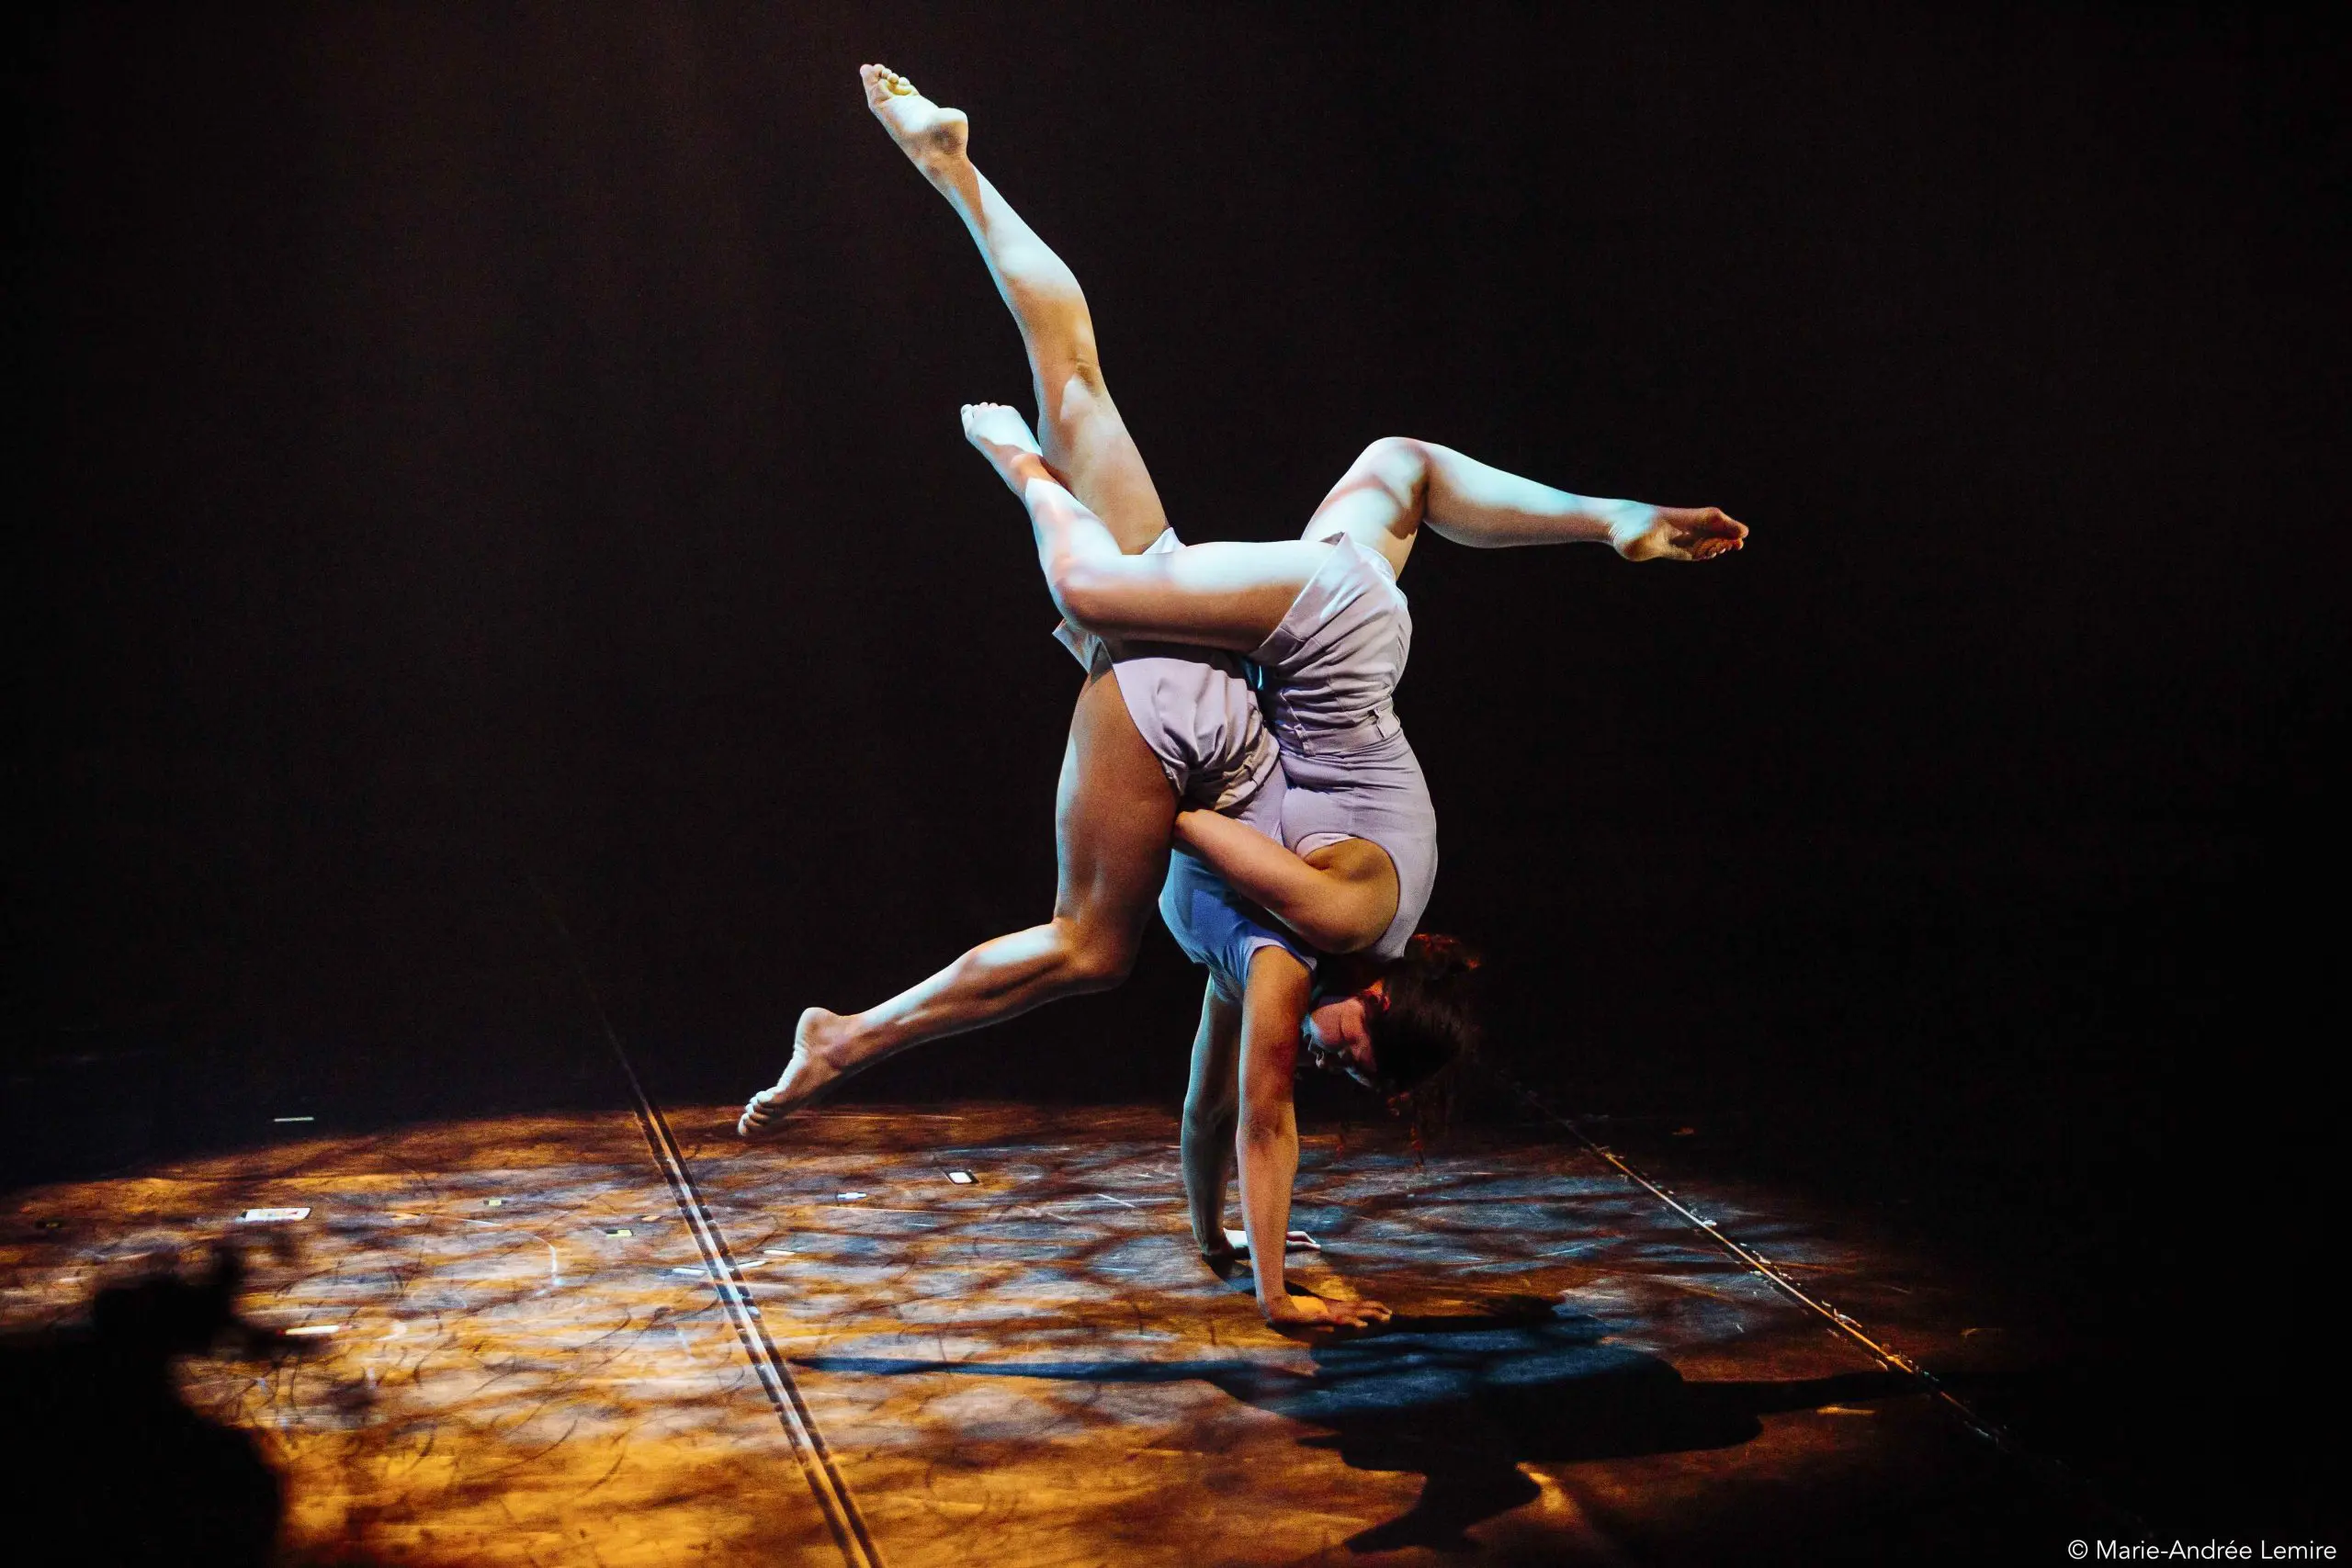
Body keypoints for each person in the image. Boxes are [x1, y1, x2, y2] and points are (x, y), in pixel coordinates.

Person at [738, 66, 1747, 1326]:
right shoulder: (1343, 917)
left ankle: (952, 166)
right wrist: (1277, 1297)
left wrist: (1216, 1230)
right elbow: (1258, 1064)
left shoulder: (1294, 946)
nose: (1332, 1058)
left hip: (1299, 642)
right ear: (1379, 994)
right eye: (1359, 1053)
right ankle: (1015, 473)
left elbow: (1215, 1108)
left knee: (1099, 384)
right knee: (1092, 914)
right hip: (1303, 643)